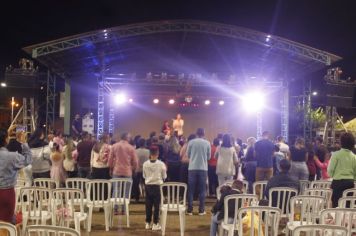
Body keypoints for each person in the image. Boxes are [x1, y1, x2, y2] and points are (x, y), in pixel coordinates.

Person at [0, 128, 32, 223]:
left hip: (6, 191)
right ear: (6, 140)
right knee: (7, 223)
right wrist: (24, 143)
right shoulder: (12, 156)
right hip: (7, 192)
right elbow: (28, 160)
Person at [108, 132, 138, 214]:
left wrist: (110, 168)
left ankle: (115, 209)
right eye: (129, 137)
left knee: (116, 190)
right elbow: (135, 161)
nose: (130, 138)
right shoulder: (131, 148)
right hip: (127, 172)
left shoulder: (114, 146)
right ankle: (124, 209)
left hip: (116, 170)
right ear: (126, 138)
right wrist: (134, 169)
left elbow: (110, 160)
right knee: (126, 191)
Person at [327, 132, 356, 208]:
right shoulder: (354, 157)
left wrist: (333, 175)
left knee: (336, 205)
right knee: (347, 206)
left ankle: (337, 220)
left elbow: (330, 170)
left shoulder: (336, 155)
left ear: (341, 142)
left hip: (337, 182)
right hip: (350, 183)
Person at [187, 128, 211, 215]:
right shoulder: (207, 143)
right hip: (203, 168)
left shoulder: (191, 142)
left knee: (191, 190)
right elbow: (208, 157)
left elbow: (188, 155)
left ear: (196, 133)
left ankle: (190, 210)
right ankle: (201, 210)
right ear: (204, 134)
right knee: (202, 190)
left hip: (192, 168)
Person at [143, 145, 167, 231]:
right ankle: (155, 223)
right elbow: (164, 176)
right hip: (157, 186)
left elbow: (144, 176)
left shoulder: (145, 164)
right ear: (158, 154)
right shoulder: (161, 164)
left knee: (148, 205)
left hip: (148, 186)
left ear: (150, 153)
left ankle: (147, 223)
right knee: (157, 206)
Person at [254, 131, 275, 196]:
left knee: (258, 184)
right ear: (268, 136)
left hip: (260, 166)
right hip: (269, 166)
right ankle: (268, 198)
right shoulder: (272, 144)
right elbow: (273, 155)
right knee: (269, 183)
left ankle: (259, 199)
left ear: (262, 135)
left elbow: (254, 155)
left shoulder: (257, 143)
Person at [133, 138, 150, 202]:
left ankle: (136, 198)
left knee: (136, 184)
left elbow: (134, 161)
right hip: (145, 170)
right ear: (145, 143)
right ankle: (147, 198)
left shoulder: (135, 151)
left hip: (137, 169)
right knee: (146, 184)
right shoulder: (148, 151)